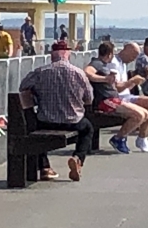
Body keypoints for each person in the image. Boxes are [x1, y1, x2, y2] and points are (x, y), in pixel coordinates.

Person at [19, 41, 93, 182]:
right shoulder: (79, 73)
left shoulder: (40, 72)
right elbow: (89, 99)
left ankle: (45, 167)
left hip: (46, 121)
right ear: (68, 54)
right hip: (73, 122)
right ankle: (78, 158)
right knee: (88, 128)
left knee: (34, 129)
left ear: (52, 55)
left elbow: (23, 87)